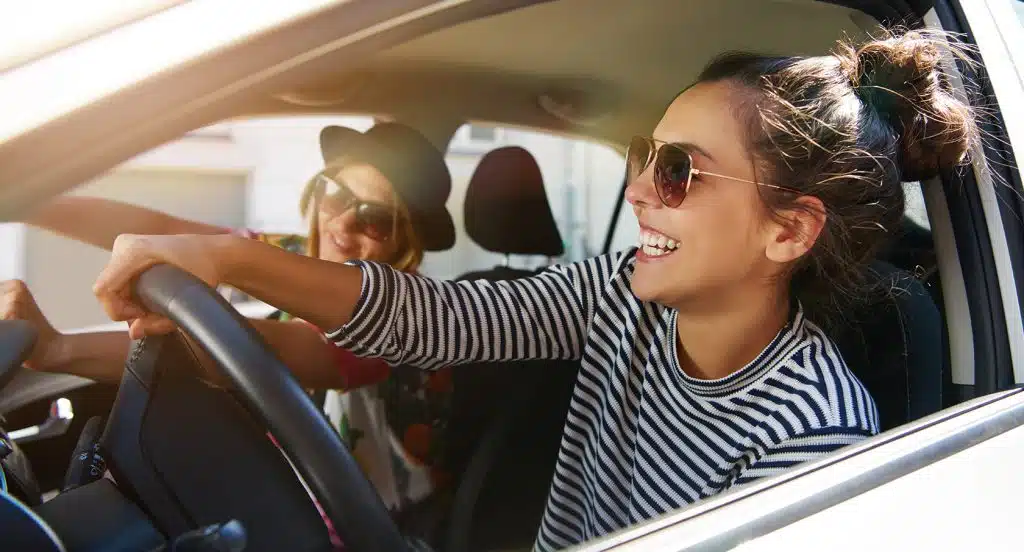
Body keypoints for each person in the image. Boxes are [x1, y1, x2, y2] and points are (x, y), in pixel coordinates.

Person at [86, 31, 977, 551]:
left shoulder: (815, 429)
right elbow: (434, 319)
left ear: (788, 231)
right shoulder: (618, 295)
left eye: (678, 171)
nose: (637, 191)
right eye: (640, 158)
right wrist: (225, 259)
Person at [4, 123, 459, 527]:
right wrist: (31, 202)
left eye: (374, 220)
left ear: (406, 240)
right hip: (286, 492)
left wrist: (59, 348)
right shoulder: (295, 252)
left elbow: (278, 350)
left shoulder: (405, 314)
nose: (341, 224)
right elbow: (162, 229)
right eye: (335, 194)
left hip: (366, 527)